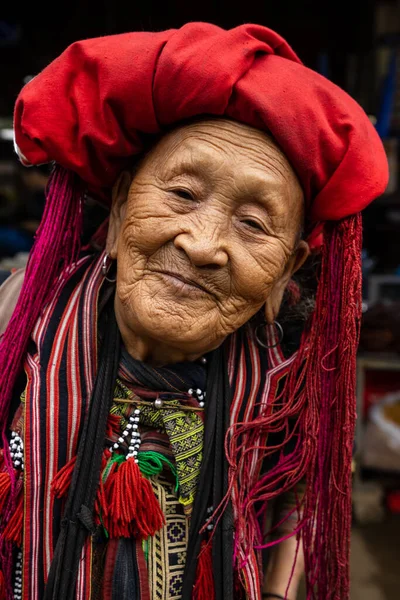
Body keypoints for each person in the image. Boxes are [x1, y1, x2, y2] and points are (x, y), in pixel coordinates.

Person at [0, 22, 388, 600]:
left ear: (287, 269)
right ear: (125, 201)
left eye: (253, 225)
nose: (203, 245)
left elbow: (299, 499)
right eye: (181, 194)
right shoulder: (14, 323)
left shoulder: (291, 387)